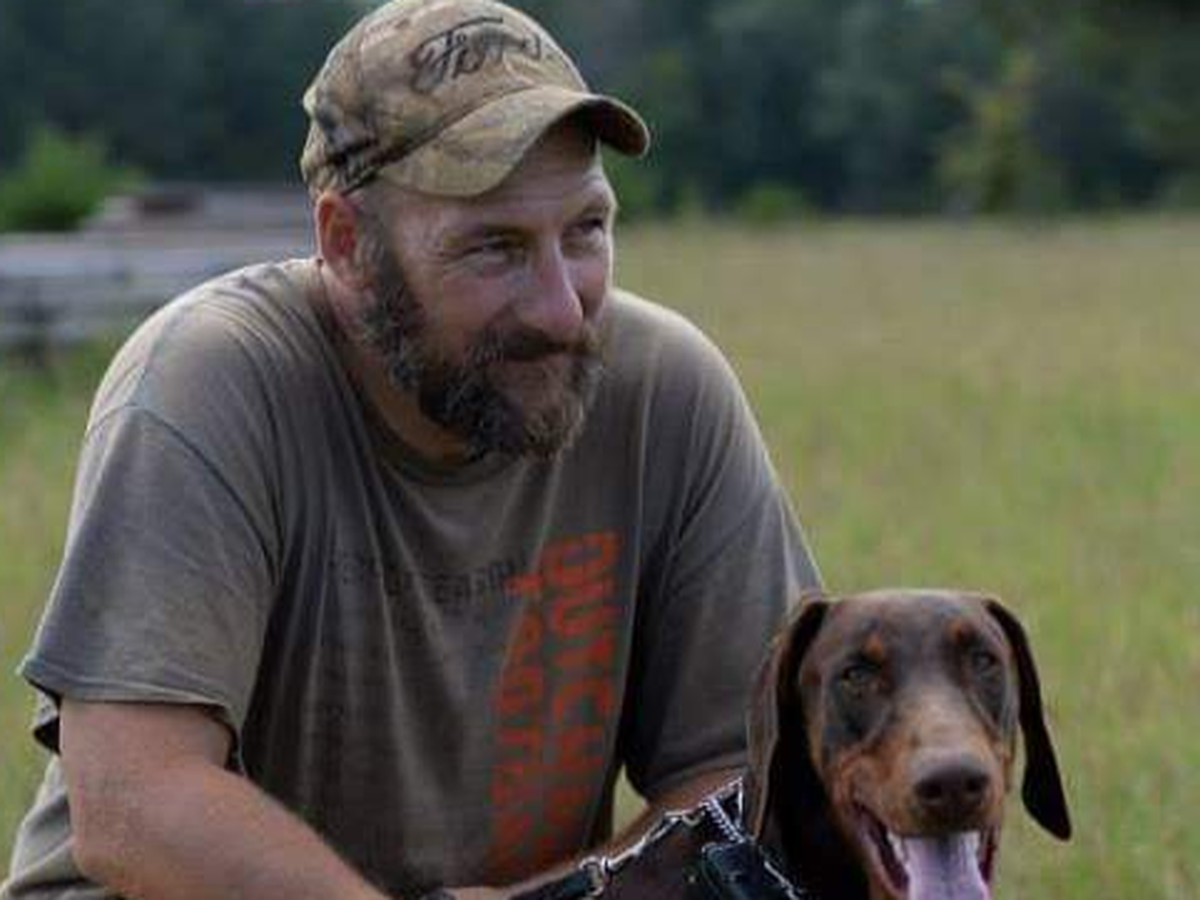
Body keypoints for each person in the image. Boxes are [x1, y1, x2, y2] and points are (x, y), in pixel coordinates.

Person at [1, 1, 821, 898]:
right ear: (347, 244)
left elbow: (746, 778)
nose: (561, 310)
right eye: (495, 249)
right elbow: (135, 804)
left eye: (586, 230)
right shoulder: (215, 380)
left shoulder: (664, 393)